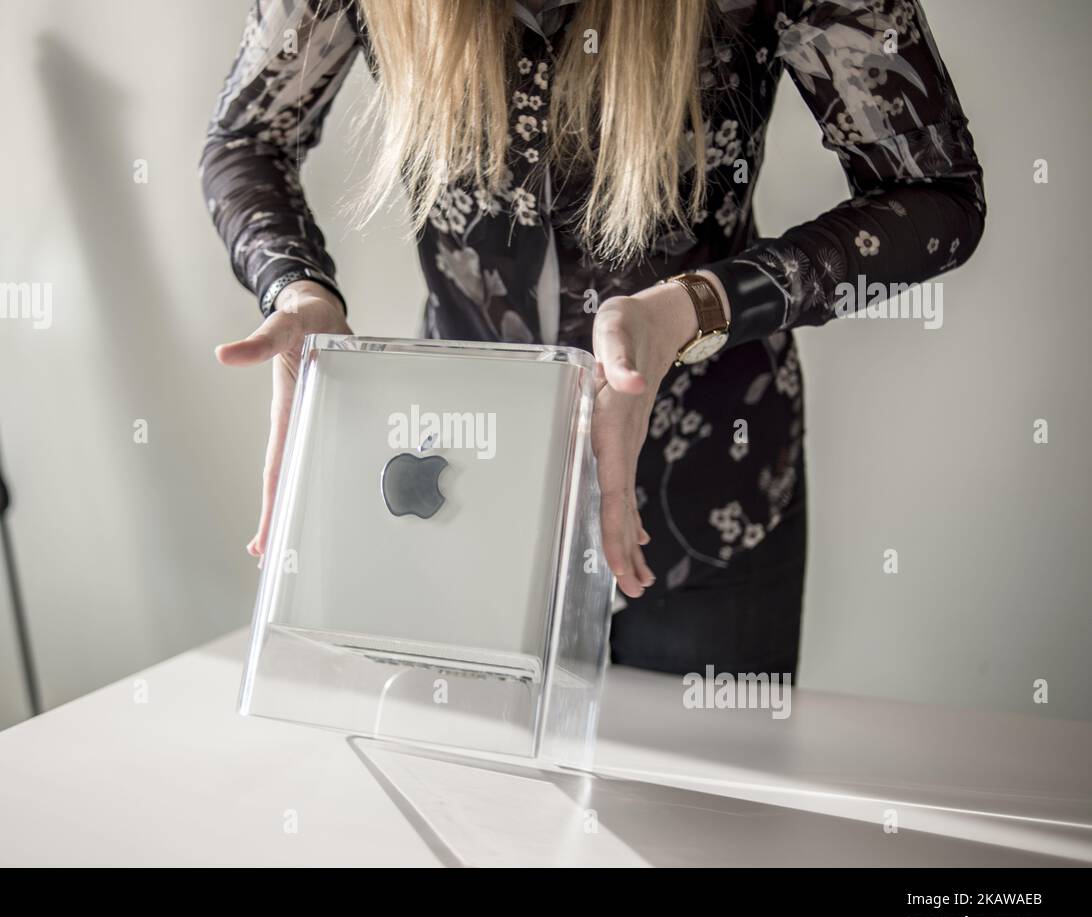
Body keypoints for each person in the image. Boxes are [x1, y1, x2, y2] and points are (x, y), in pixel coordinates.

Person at [200, 0, 984, 675]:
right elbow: (248, 138)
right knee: (478, 823)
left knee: (695, 831)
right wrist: (296, 286)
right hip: (459, 485)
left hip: (714, 487)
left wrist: (695, 307)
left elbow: (935, 192)